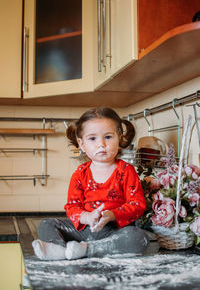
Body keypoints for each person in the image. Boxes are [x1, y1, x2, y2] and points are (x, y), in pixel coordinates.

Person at [32, 107, 159, 260]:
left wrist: (112, 215)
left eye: (108, 137)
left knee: (139, 237)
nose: (101, 144)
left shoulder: (126, 170)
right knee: (46, 224)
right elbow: (72, 207)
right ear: (82, 144)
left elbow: (137, 205)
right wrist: (86, 217)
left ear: (119, 138)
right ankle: (60, 249)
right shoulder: (80, 173)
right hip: (84, 230)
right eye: (92, 138)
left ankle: (87, 250)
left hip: (115, 231)